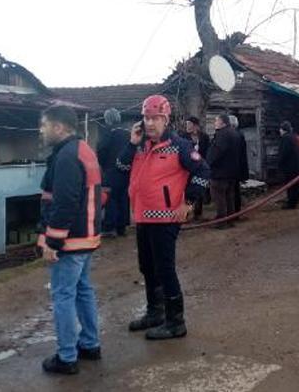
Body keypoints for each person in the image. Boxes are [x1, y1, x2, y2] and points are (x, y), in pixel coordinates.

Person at [119, 95, 209, 340]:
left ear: (165, 120)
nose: (149, 123)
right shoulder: (140, 147)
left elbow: (202, 171)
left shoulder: (179, 146)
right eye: (146, 118)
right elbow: (120, 169)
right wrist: (131, 144)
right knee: (147, 267)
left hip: (166, 218)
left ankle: (175, 321)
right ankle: (155, 312)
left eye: (155, 118)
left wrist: (188, 202)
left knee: (165, 269)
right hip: (143, 217)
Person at [38, 106, 103, 375]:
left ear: (59, 127)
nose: (40, 131)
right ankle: (90, 344)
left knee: (63, 295)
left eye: (44, 125)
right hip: (87, 237)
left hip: (71, 240)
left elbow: (64, 201)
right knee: (83, 290)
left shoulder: (66, 156)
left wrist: (52, 241)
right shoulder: (83, 150)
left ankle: (67, 357)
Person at [97, 108, 130, 237]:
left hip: (111, 170)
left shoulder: (108, 132)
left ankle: (109, 227)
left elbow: (101, 150)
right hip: (126, 170)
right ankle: (122, 227)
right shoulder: (127, 133)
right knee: (123, 198)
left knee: (110, 198)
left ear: (108, 119)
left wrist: (103, 164)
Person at [206, 114, 241, 229]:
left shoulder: (222, 135)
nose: (214, 123)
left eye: (216, 120)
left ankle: (221, 221)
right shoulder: (235, 133)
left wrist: (207, 163)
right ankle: (230, 220)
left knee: (219, 197)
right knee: (229, 197)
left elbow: (216, 152)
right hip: (232, 172)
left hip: (220, 173)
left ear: (223, 122)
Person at [181, 116, 211, 220]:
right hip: (187, 169)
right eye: (186, 125)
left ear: (195, 126)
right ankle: (185, 214)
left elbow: (208, 152)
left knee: (199, 190)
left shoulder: (204, 137)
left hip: (200, 169)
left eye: (189, 124)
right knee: (187, 192)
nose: (187, 127)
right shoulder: (183, 137)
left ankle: (198, 213)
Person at [278, 121, 299, 209]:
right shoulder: (295, 137)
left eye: (280, 129)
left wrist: (279, 163)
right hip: (297, 166)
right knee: (295, 185)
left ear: (283, 130)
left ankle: (291, 204)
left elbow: (284, 153)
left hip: (289, 167)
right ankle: (295, 200)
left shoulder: (285, 138)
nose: (279, 131)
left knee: (290, 185)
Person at [229, 115, 249, 214]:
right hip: (238, 167)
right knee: (235, 190)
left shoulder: (236, 135)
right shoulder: (239, 134)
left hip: (234, 167)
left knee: (234, 191)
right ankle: (236, 210)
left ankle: (235, 211)